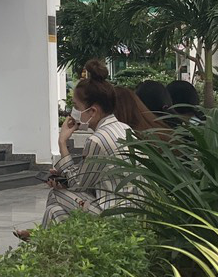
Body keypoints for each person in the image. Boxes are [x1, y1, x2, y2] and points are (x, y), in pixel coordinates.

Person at [14, 60, 144, 242]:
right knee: (55, 212)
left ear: (93, 111)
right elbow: (89, 178)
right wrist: (65, 176)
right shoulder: (124, 128)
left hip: (113, 215)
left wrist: (62, 142)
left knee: (56, 194)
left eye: (76, 107)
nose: (73, 112)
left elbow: (79, 185)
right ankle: (44, 239)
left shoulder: (98, 140)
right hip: (134, 211)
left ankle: (42, 241)